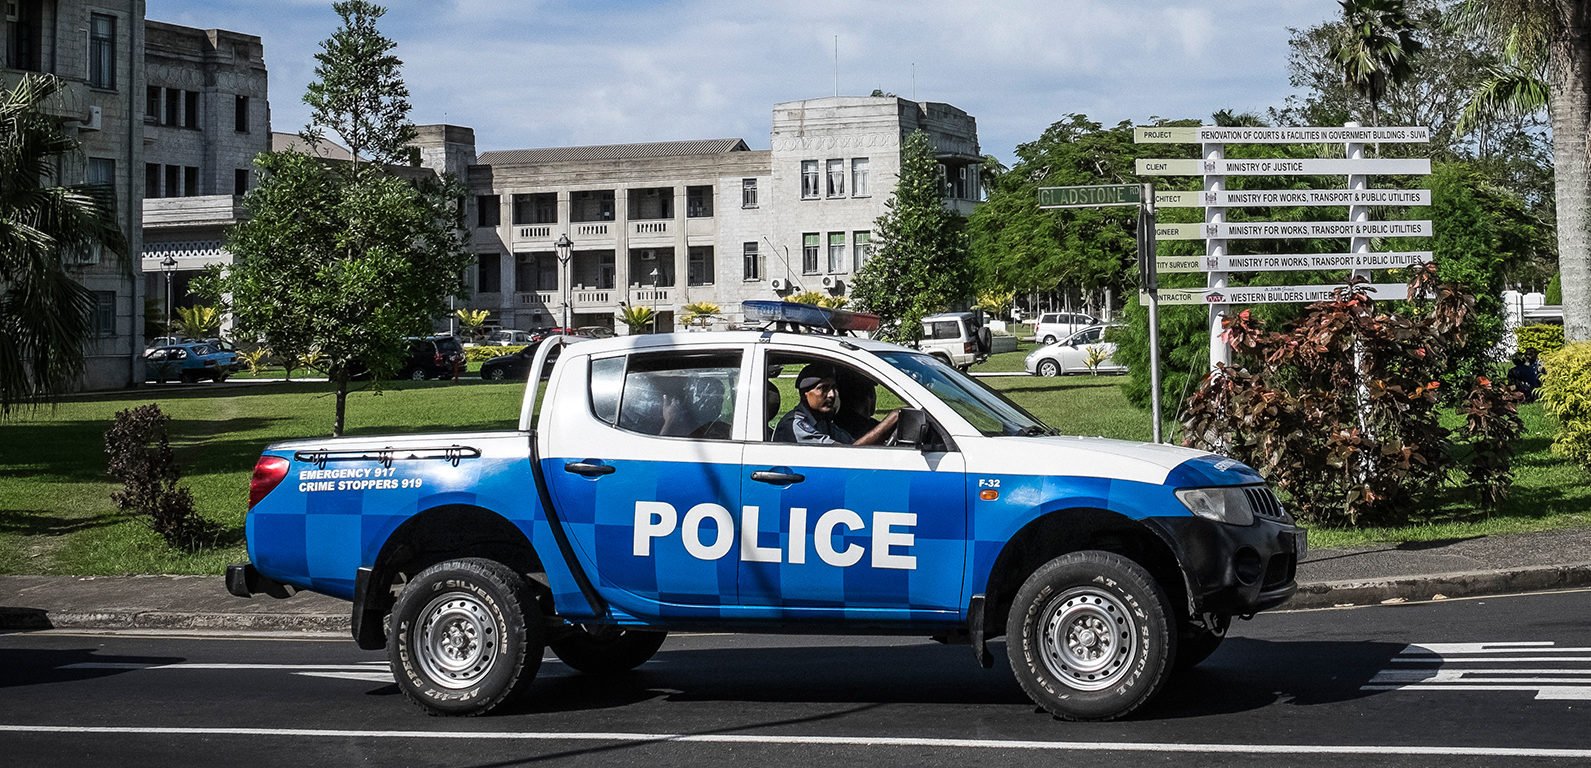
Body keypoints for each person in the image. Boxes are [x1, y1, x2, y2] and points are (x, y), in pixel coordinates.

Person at [773, 363, 898, 445]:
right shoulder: (795, 425)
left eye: (833, 388)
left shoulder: (822, 421)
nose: (831, 395)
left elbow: (850, 444)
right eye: (823, 388)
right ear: (804, 394)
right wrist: (890, 420)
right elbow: (848, 454)